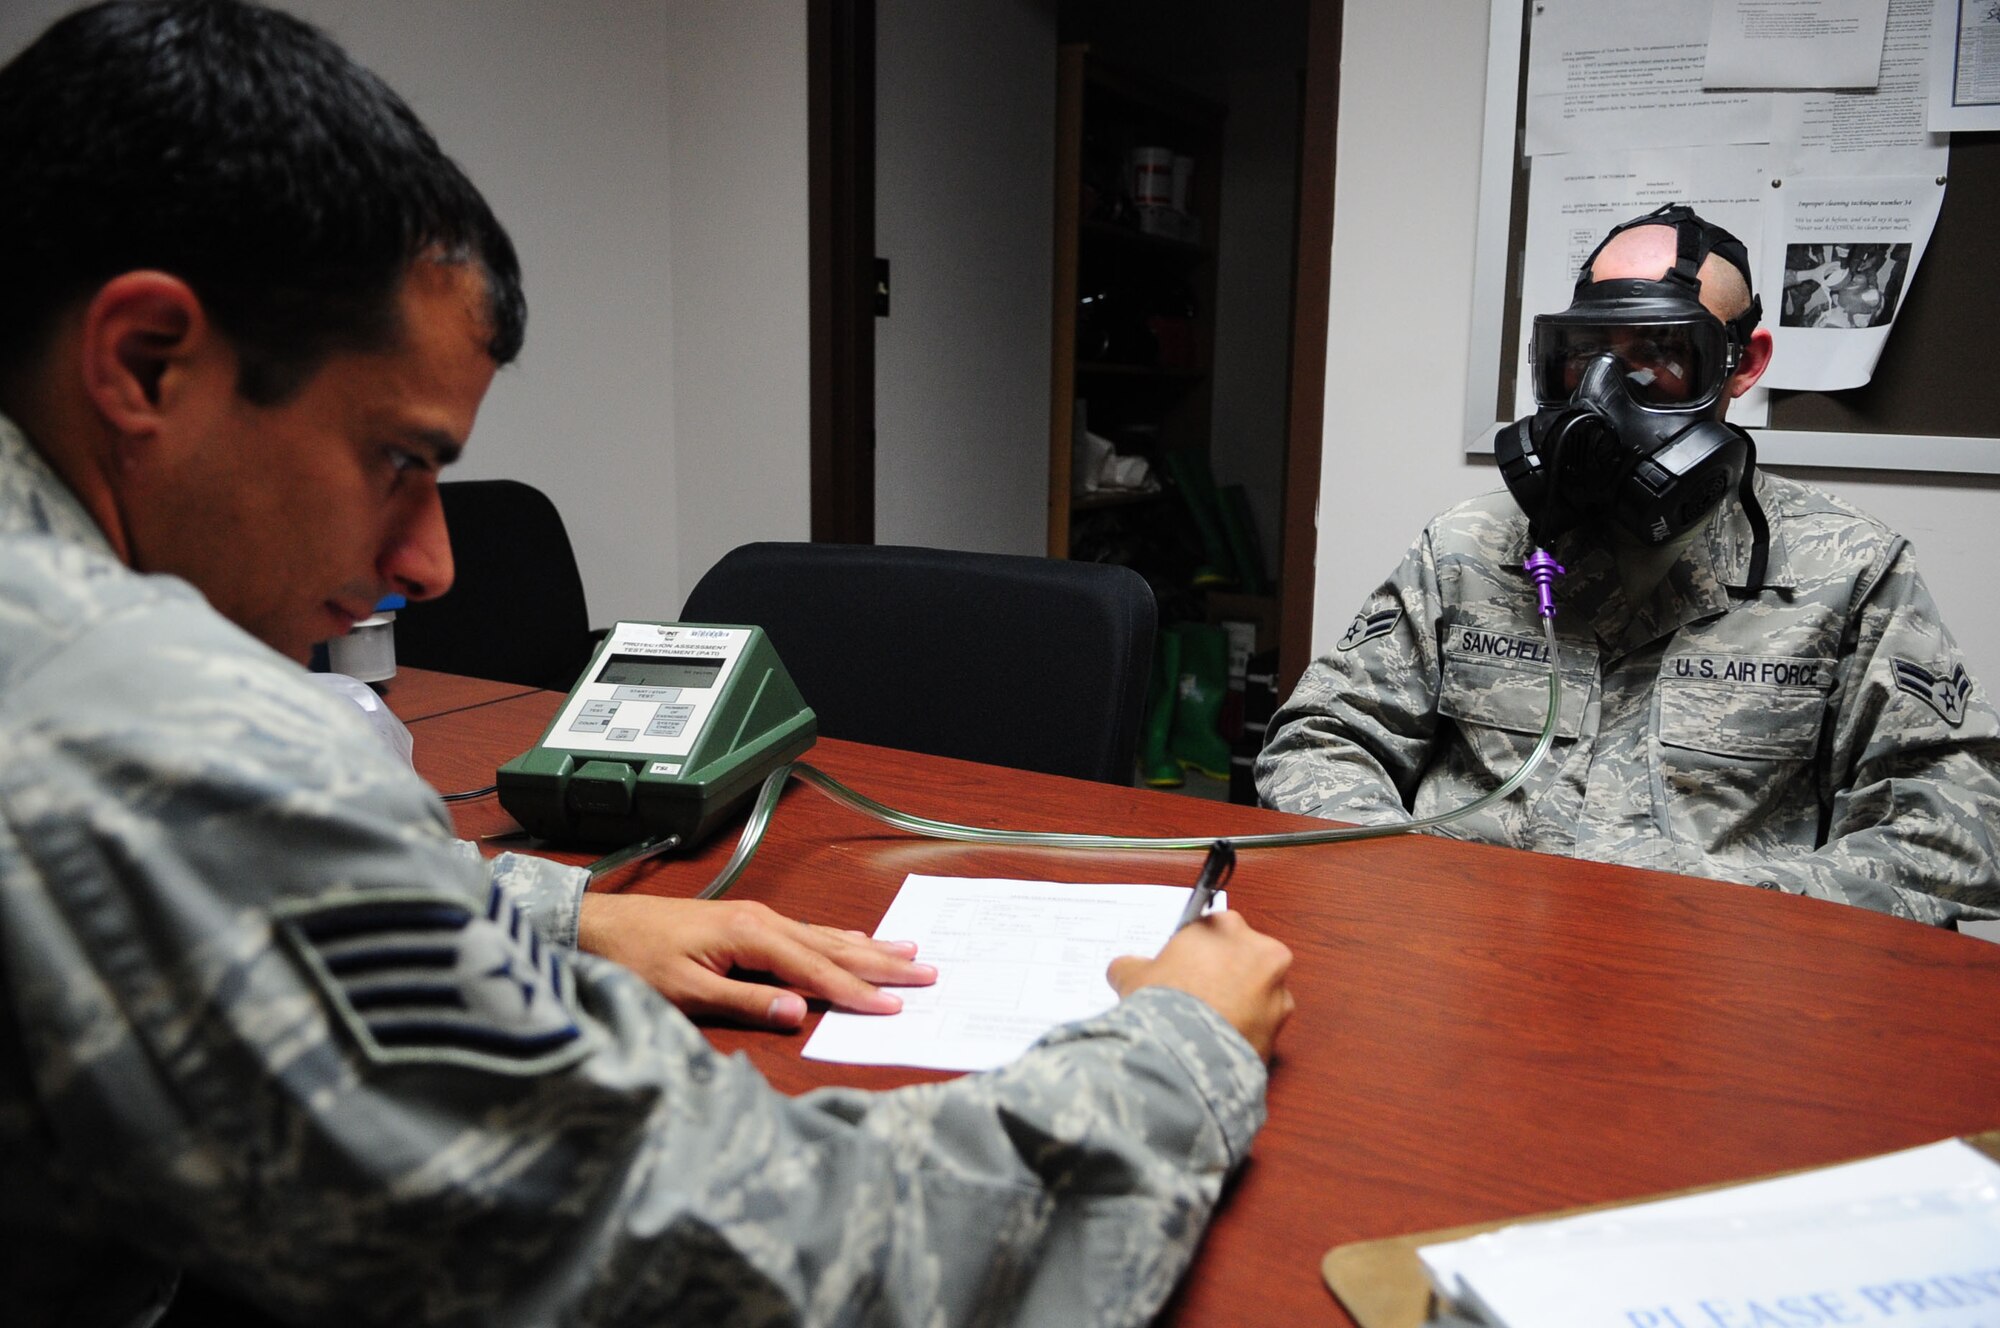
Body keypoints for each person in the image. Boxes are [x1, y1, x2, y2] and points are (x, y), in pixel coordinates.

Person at [0, 3, 1295, 1323]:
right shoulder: (130, 719)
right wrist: (1179, 1048)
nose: (434, 563)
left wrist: (561, 917)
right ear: (145, 363)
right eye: (400, 459)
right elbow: (733, 1251)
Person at [1257, 204, 2000, 929]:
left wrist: (1725, 916)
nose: (1603, 394)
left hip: (1722, 988)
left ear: (1744, 364)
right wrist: (1412, 886)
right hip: (1467, 957)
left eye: (1658, 353)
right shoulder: (1470, 544)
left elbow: (1956, 824)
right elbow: (1324, 736)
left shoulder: (1847, 569)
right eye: (1586, 354)